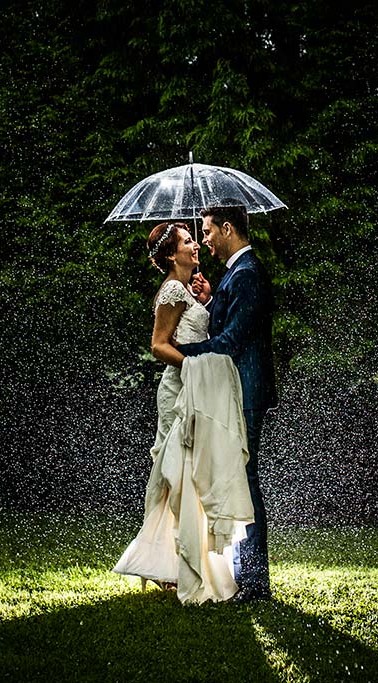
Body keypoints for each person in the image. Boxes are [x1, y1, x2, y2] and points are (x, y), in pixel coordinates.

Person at [113, 222, 255, 605]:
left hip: (197, 392)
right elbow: (159, 345)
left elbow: (196, 331)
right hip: (179, 392)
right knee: (175, 477)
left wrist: (206, 301)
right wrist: (194, 367)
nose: (196, 245)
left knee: (191, 476)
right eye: (189, 241)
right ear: (172, 254)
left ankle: (186, 563)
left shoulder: (189, 290)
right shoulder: (173, 290)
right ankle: (168, 564)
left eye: (195, 238)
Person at [177, 204, 277, 603]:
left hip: (246, 393)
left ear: (227, 228)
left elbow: (232, 340)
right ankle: (244, 577)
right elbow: (231, 320)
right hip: (235, 391)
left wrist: (182, 352)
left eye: (207, 231)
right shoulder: (237, 274)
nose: (204, 240)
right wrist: (213, 298)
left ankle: (254, 584)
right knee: (239, 481)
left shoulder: (249, 273)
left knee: (246, 483)